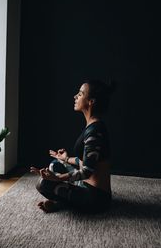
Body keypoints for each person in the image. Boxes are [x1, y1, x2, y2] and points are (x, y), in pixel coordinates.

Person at [30, 79, 116, 213]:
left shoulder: (95, 131)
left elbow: (87, 171)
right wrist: (65, 158)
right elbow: (83, 161)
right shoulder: (93, 126)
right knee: (55, 164)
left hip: (96, 197)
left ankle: (61, 203)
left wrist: (57, 178)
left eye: (80, 94)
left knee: (43, 183)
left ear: (91, 101)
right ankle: (64, 200)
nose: (75, 96)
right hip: (85, 184)